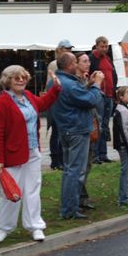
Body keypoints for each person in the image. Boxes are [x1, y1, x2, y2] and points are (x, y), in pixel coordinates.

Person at [0, 65, 61, 243]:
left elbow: (43, 104)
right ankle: (4, 228)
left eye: (23, 77)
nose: (21, 80)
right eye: (16, 78)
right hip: (12, 155)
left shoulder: (29, 96)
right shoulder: (2, 103)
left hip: (33, 151)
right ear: (8, 81)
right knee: (9, 193)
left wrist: (55, 88)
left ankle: (35, 226)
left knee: (32, 190)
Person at [51, 52, 104, 220]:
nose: (77, 65)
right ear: (69, 65)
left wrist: (88, 84)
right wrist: (97, 84)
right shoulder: (70, 84)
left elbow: (75, 97)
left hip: (65, 129)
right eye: (75, 62)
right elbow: (91, 100)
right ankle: (69, 210)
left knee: (69, 170)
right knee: (74, 171)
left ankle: (68, 207)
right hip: (77, 130)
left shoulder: (57, 81)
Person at [76, 52, 103, 211]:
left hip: (92, 125)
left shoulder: (84, 80)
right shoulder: (75, 81)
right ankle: (77, 198)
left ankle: (82, 196)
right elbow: (90, 99)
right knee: (80, 165)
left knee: (87, 164)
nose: (88, 64)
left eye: (88, 61)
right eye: (84, 61)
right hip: (82, 128)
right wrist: (96, 84)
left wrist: (91, 82)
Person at [89, 36, 117, 164]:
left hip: (109, 95)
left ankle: (103, 153)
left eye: (106, 46)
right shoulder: (92, 59)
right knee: (98, 124)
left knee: (105, 124)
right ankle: (95, 155)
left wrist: (114, 91)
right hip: (99, 95)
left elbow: (113, 75)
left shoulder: (108, 58)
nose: (104, 49)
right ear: (96, 46)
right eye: (102, 46)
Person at [46, 39, 74, 170]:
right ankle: (55, 159)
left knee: (60, 131)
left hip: (62, 100)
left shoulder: (66, 63)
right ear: (60, 49)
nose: (69, 51)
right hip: (56, 100)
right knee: (56, 132)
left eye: (70, 49)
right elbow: (51, 83)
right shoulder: (54, 64)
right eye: (67, 49)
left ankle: (61, 159)